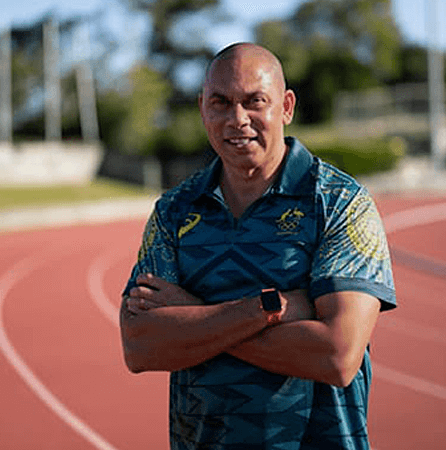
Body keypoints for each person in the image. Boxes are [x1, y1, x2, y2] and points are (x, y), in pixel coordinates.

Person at [120, 42, 397, 450]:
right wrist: (271, 307)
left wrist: (195, 315)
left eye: (255, 101)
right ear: (203, 110)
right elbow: (140, 345)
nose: (237, 119)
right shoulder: (174, 212)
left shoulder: (340, 203)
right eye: (221, 102)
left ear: (285, 107)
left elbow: (337, 357)